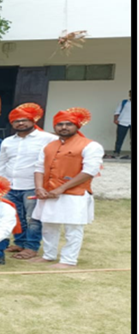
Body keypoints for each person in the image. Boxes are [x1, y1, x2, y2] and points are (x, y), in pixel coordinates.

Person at [28, 108, 104, 269]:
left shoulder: (91, 146)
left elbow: (90, 171)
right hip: (48, 193)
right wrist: (39, 187)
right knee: (48, 225)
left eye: (68, 124)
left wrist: (62, 188)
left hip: (74, 193)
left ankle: (69, 260)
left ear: (77, 126)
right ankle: (48, 255)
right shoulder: (49, 146)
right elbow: (39, 168)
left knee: (73, 227)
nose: (63, 127)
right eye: (59, 124)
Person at [0, 104, 58, 260]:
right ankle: (20, 242)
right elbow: (1, 163)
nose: (20, 124)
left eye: (24, 120)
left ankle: (31, 247)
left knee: (33, 219)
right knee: (15, 217)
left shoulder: (49, 139)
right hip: (10, 185)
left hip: (33, 186)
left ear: (33, 120)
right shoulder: (7, 141)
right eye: (16, 121)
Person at [113, 90, 131, 159]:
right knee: (119, 139)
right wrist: (115, 119)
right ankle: (116, 152)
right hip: (123, 122)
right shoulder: (124, 102)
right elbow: (117, 111)